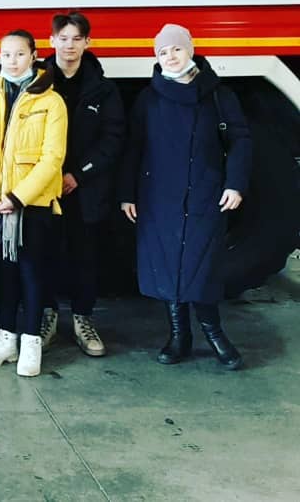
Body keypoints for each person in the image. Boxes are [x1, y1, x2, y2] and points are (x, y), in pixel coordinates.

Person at [120, 24, 251, 370]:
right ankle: (179, 337)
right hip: (159, 198)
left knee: (201, 266)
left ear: (190, 50)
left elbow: (240, 140)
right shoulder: (148, 98)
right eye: (163, 52)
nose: (171, 57)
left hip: (206, 195)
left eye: (176, 49)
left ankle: (214, 333)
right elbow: (134, 148)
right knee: (168, 266)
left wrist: (235, 184)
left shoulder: (219, 95)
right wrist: (127, 194)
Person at [0, 30, 67, 378]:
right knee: (4, 274)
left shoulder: (51, 102)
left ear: (33, 55)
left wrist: (18, 197)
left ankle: (31, 342)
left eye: (19, 54)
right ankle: (5, 340)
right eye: (5, 54)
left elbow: (52, 157)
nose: (12, 61)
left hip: (33, 205)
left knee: (32, 273)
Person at [39, 12, 125, 357]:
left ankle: (82, 320)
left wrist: (79, 174)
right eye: (63, 39)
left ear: (88, 42)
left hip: (86, 189)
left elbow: (113, 138)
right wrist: (47, 177)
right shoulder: (37, 84)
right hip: (45, 188)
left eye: (77, 39)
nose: (69, 46)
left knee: (85, 256)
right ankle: (46, 317)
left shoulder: (104, 90)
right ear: (51, 41)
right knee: (45, 254)